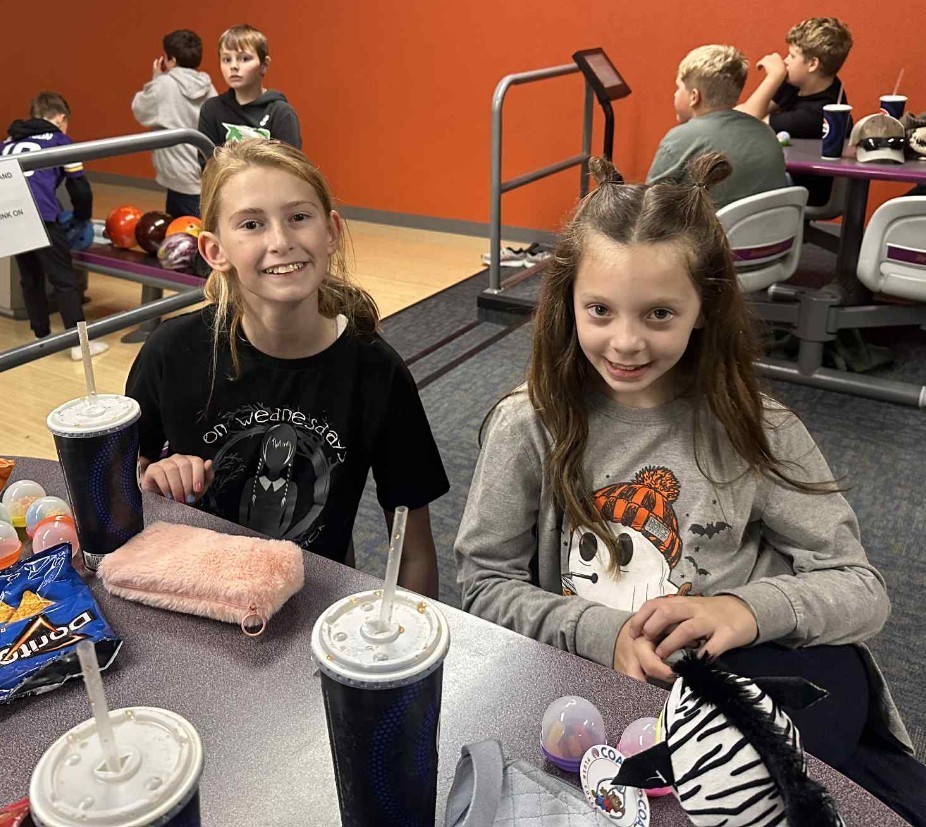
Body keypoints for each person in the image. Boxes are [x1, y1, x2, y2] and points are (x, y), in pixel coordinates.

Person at [455, 153, 925, 824]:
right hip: (590, 703)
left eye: (659, 314)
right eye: (600, 310)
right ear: (568, 302)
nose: (625, 342)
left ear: (704, 309)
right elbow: (482, 585)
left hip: (734, 706)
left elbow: (861, 590)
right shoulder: (529, 423)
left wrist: (741, 610)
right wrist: (602, 633)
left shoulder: (757, 429)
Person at [126, 139, 447, 597]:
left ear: (331, 231)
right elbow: (121, 484)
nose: (280, 241)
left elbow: (414, 553)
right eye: (252, 224)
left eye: (298, 217)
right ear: (215, 250)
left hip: (310, 603)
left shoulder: (377, 373)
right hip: (196, 591)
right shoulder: (171, 352)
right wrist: (152, 478)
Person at [1, 92, 108, 360]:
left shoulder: (8, 141)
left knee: (30, 276)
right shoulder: (60, 140)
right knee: (64, 280)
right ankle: (78, 345)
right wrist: (83, 217)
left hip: (11, 213)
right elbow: (79, 188)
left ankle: (41, 337)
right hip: (43, 214)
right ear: (60, 119)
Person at [647, 45, 787, 209]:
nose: (675, 94)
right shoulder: (767, 133)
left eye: (679, 88)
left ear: (694, 97)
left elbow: (648, 209)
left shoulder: (679, 140)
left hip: (710, 227)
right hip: (770, 226)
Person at [736, 17, 853, 205]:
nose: (785, 61)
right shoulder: (801, 84)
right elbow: (740, 115)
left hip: (803, 192)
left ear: (812, 64)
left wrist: (773, 77)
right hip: (780, 179)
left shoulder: (817, 113)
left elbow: (743, 123)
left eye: (792, 56)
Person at [131, 29, 217, 218]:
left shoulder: (164, 85)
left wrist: (156, 79)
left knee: (183, 231)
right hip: (204, 175)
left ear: (171, 60)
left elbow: (140, 109)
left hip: (178, 176)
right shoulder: (208, 86)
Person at [197, 25, 301, 151]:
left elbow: (290, 162)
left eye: (245, 59)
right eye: (227, 59)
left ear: (264, 65)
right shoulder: (212, 109)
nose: (234, 66)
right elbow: (207, 160)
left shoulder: (281, 113)